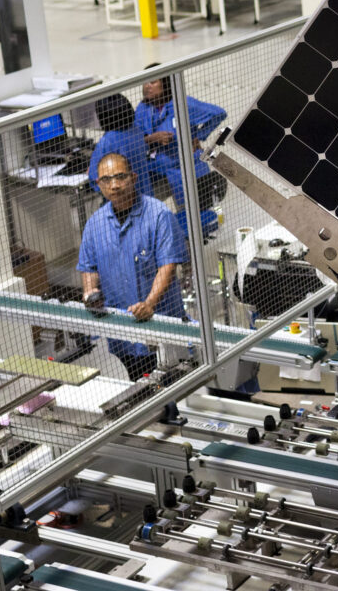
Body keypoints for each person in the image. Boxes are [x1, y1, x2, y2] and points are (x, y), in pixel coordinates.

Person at [77, 153, 189, 378]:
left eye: (120, 177)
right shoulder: (95, 225)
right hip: (122, 332)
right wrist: (90, 293)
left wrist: (149, 304)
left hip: (160, 327)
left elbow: (167, 266)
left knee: (174, 387)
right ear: (98, 184)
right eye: (106, 180)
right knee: (137, 387)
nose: (114, 185)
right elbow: (88, 267)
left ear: (134, 177)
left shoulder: (159, 216)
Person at [135, 69, 228, 238]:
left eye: (153, 82)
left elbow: (219, 113)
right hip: (158, 169)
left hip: (185, 167)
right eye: (145, 82)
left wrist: (198, 136)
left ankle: (192, 250)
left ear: (165, 84)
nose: (147, 86)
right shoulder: (143, 109)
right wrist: (151, 138)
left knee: (193, 218)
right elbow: (134, 138)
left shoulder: (183, 104)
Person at [87, 93, 151, 193]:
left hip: (122, 200)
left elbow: (95, 179)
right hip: (146, 195)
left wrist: (92, 171)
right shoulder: (137, 131)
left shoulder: (107, 142)